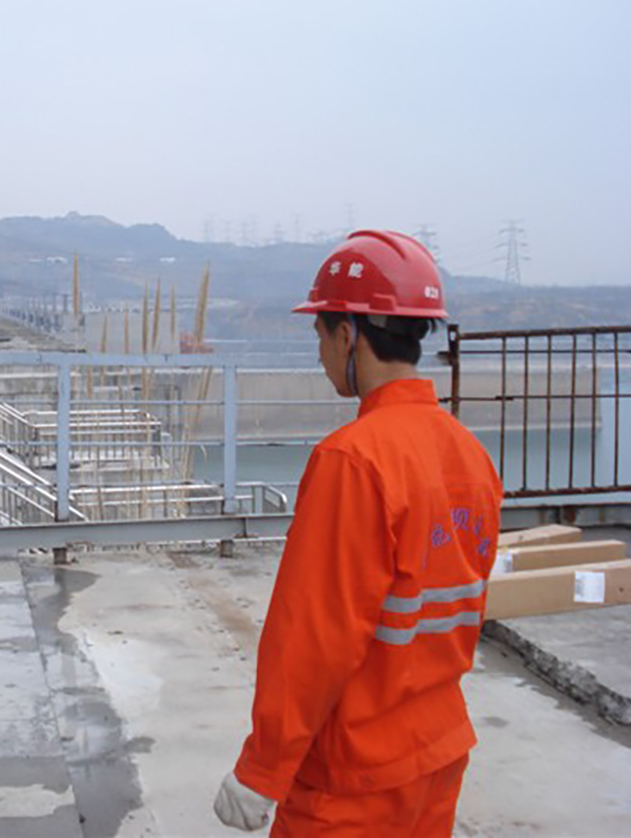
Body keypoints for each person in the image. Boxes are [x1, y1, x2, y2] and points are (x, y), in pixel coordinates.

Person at [214, 230, 503, 836]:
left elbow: (312, 637)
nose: (320, 353)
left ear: (348, 334)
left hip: (353, 778)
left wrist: (262, 770)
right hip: (438, 753)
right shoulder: (469, 454)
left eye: (320, 334)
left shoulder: (353, 460)